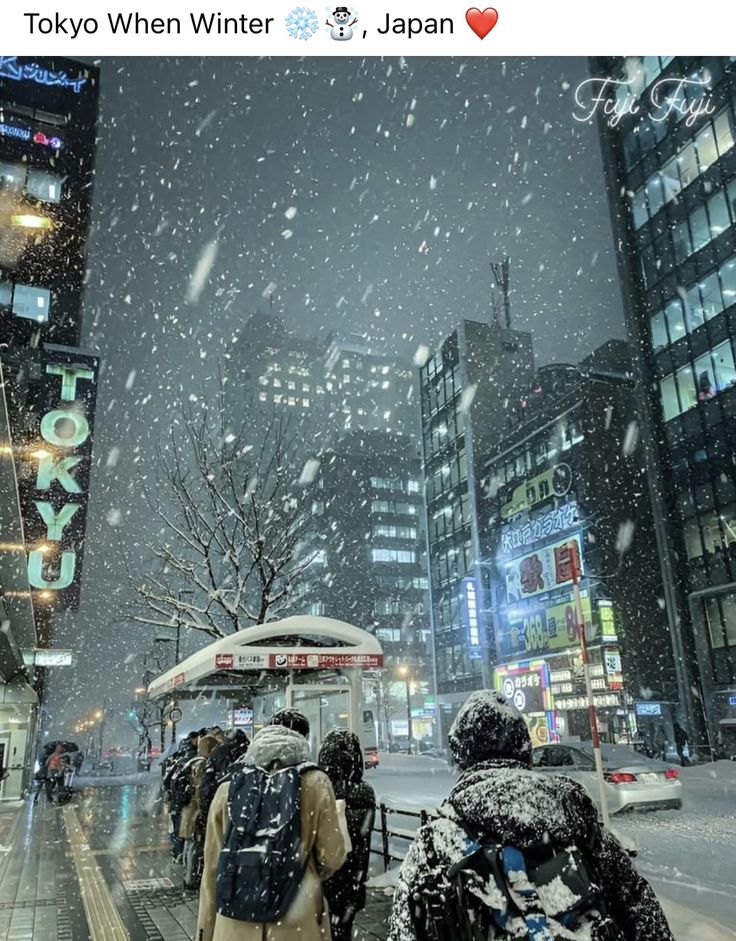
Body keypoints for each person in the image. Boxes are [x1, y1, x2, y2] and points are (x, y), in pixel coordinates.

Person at [387, 690, 674, 941]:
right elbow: (641, 910)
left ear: (461, 758)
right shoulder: (574, 815)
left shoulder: (436, 839)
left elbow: (404, 930)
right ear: (525, 750)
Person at [196, 708, 347, 941]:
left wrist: (206, 929)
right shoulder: (316, 783)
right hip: (295, 920)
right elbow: (333, 856)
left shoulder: (228, 788)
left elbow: (213, 868)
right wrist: (300, 867)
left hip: (235, 925)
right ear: (301, 741)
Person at [318, 729, 376, 941]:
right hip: (353, 876)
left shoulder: (321, 788)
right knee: (344, 931)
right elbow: (362, 834)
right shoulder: (365, 792)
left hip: (325, 875)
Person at [179, 730, 224, 889]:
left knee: (189, 845)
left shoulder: (193, 761)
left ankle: (187, 875)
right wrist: (204, 811)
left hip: (188, 810)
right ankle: (190, 879)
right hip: (194, 811)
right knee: (194, 846)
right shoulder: (203, 764)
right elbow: (201, 792)